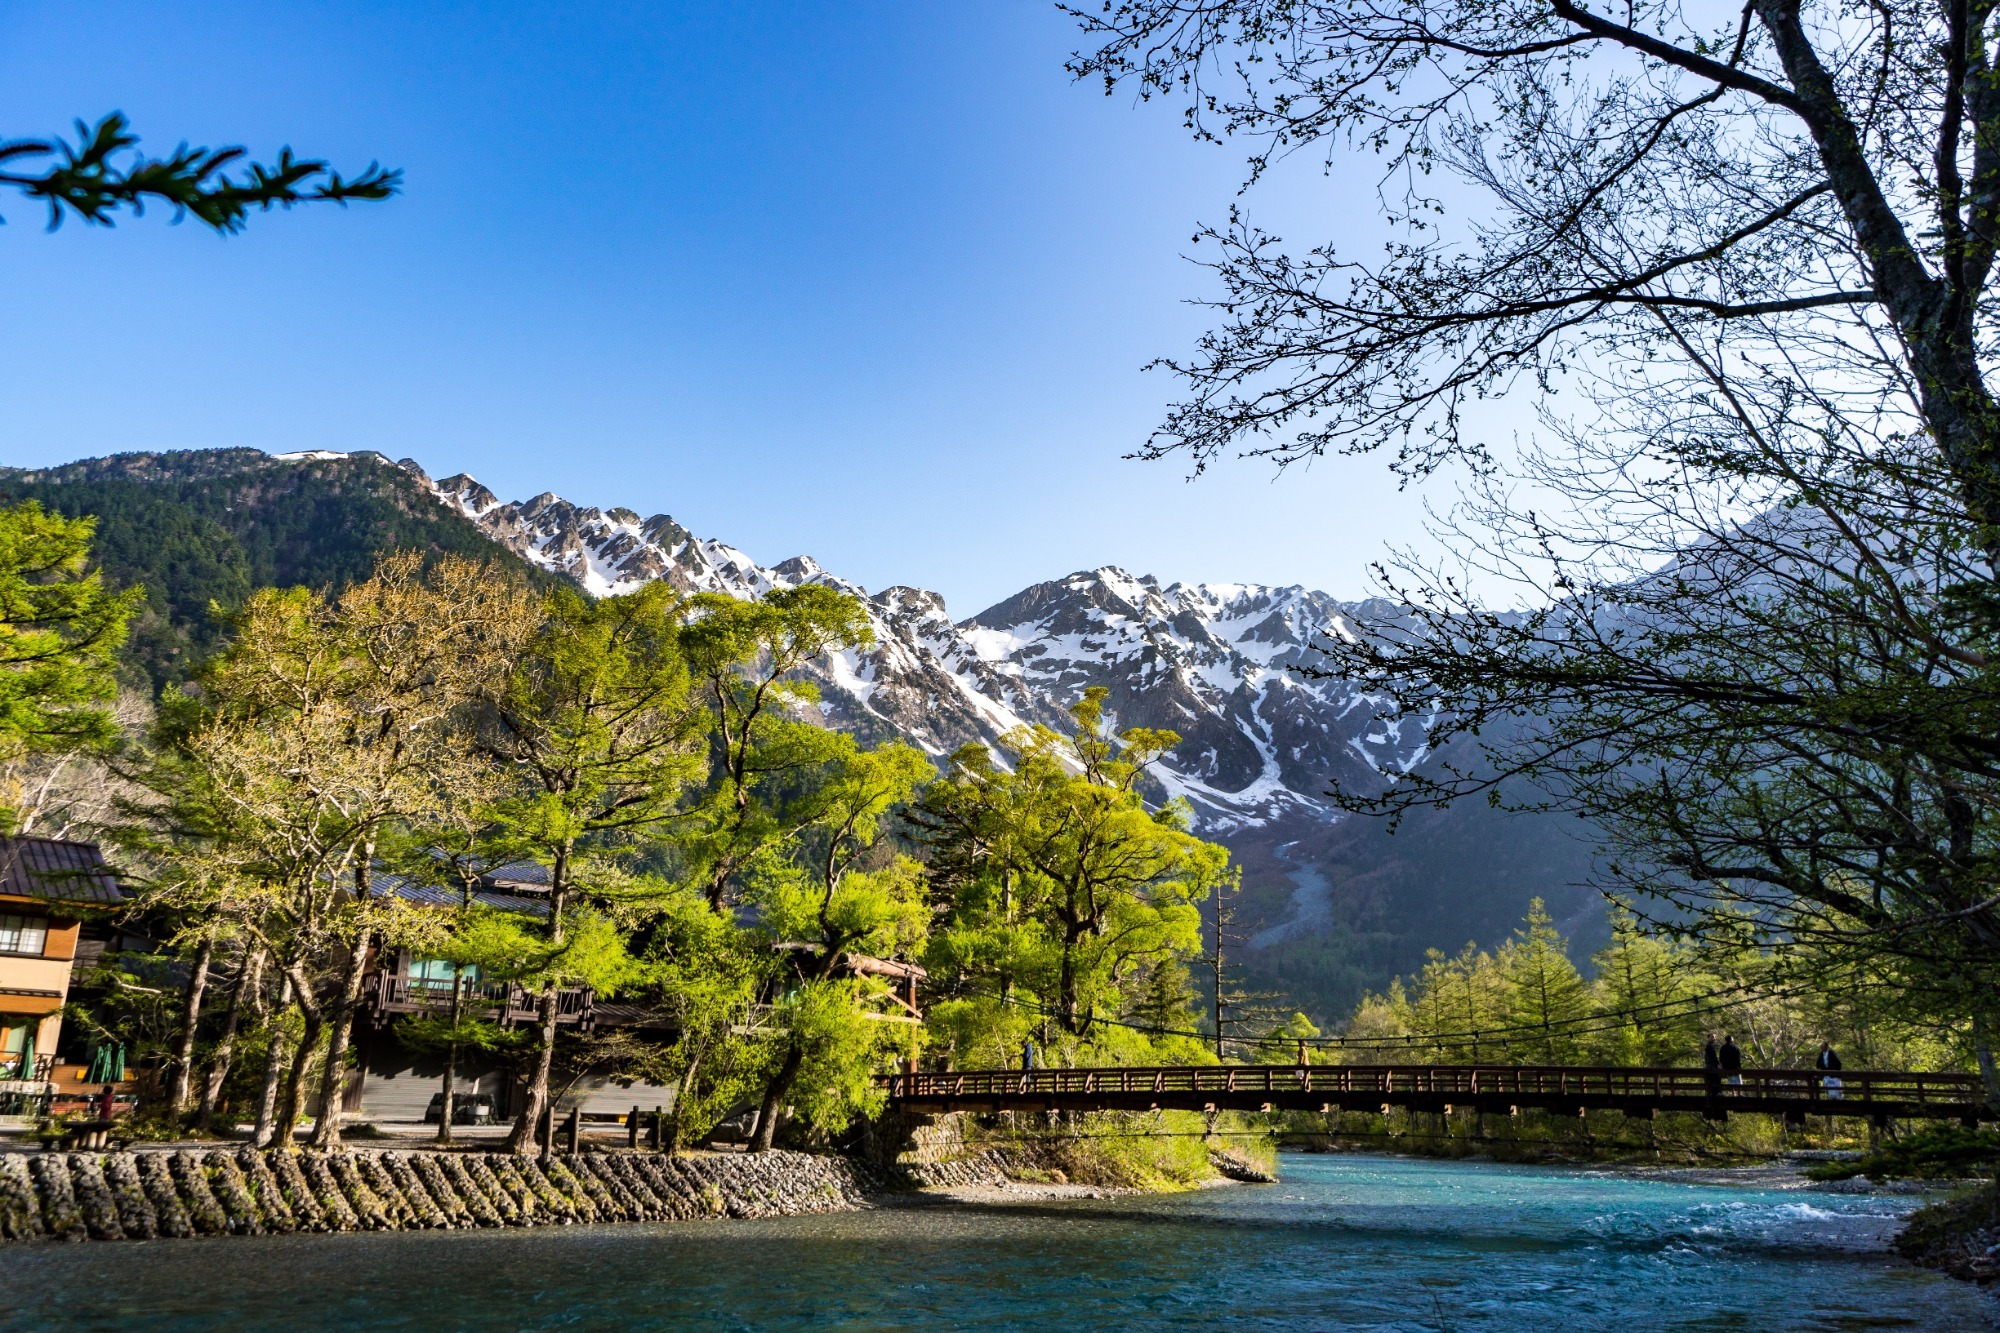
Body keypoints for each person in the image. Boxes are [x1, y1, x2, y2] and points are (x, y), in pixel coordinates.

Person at [1703, 1034, 1721, 1100]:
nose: (1714, 1038)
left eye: (1714, 1037)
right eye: (1712, 1037)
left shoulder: (1710, 1045)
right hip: (1711, 1065)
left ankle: (1712, 1093)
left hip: (1710, 1065)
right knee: (1715, 1078)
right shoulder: (1709, 1046)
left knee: (1713, 1079)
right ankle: (1715, 1093)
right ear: (1708, 1038)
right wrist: (1717, 1063)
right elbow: (1712, 1057)